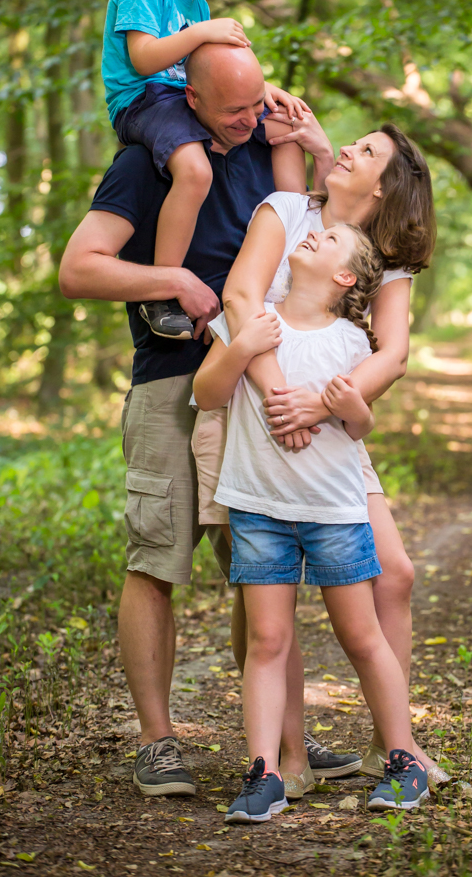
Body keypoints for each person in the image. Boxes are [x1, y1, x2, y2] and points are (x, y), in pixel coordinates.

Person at [59, 43, 340, 798]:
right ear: (188, 99)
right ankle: (157, 742)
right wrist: (171, 277)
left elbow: (336, 235)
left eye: (258, 104)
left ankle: (280, 736)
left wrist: (314, 145)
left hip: (253, 382)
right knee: (157, 559)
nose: (251, 120)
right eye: (234, 110)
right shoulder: (147, 164)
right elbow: (77, 268)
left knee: (262, 568)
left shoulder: (262, 149)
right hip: (169, 383)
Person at [192, 119, 444, 788]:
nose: (345, 151)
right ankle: (289, 759)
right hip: (257, 410)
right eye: (351, 143)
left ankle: (394, 747)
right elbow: (242, 297)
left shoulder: (378, 260)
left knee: (394, 573)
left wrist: (322, 406)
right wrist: (283, 400)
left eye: (365, 151)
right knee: (268, 600)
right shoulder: (289, 212)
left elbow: (392, 354)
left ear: (387, 187)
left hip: (328, 426)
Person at [101, 0, 308, 340]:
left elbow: (207, 75)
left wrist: (266, 93)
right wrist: (202, 32)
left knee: (279, 126)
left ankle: (294, 253)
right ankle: (161, 293)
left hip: (181, 96)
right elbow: (143, 59)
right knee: (195, 170)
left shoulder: (196, 2)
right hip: (143, 100)